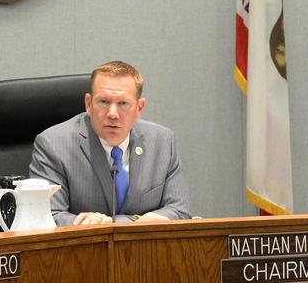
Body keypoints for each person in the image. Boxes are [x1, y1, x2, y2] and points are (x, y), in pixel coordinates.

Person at [29, 61, 191, 226]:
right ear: (89, 104)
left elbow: (179, 210)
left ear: (139, 108)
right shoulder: (53, 144)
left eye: (123, 103)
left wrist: (123, 222)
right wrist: (83, 223)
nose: (113, 114)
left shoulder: (162, 141)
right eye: (104, 102)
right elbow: (48, 215)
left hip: (146, 250)